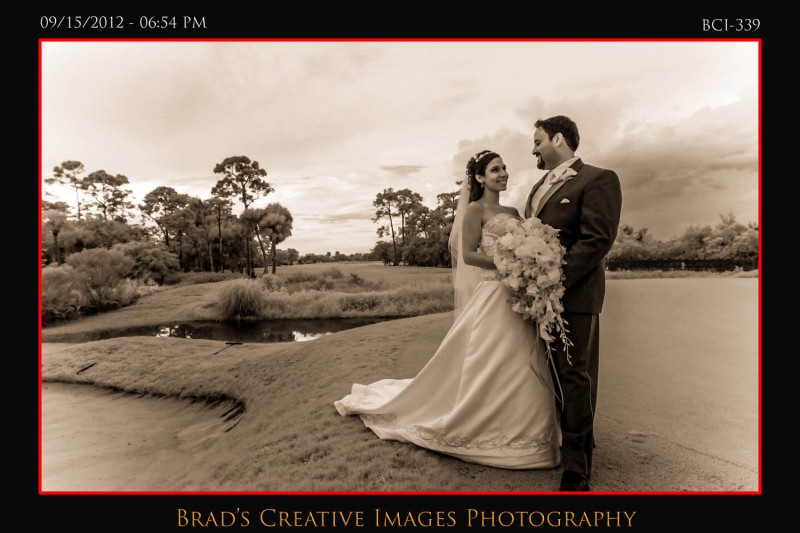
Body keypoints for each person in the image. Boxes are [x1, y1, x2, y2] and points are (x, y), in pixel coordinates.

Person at [334, 150, 561, 470]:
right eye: (495, 170)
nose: (503, 174)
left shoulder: (513, 210)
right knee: (493, 359)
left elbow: (526, 243)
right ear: (480, 177)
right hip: (495, 291)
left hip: (518, 293)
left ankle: (532, 432)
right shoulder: (474, 210)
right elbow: (468, 254)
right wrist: (508, 262)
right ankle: (487, 424)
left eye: (504, 168)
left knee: (524, 360)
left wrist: (529, 263)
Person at [524, 115, 622, 491]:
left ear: (558, 139)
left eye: (538, 141)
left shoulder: (598, 178)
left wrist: (554, 281)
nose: (533, 149)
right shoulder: (537, 188)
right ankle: (571, 438)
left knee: (574, 375)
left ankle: (577, 468)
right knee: (553, 374)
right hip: (541, 297)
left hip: (576, 295)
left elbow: (597, 239)